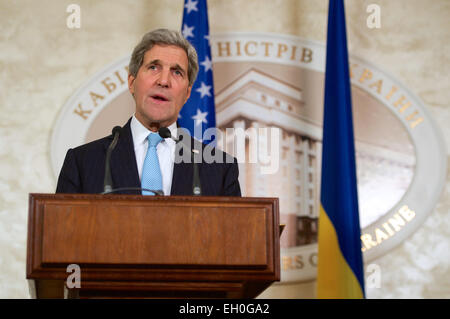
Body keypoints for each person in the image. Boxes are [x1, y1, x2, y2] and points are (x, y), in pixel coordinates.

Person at [56, 29, 241, 196]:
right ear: (131, 82)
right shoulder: (82, 162)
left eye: (177, 72)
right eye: (153, 67)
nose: (164, 81)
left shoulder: (220, 170)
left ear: (187, 94)